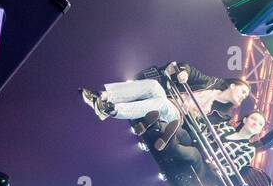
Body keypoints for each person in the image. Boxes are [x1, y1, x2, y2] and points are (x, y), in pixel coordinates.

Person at [79, 62, 251, 150]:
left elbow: (203, 132)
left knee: (162, 104)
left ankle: (111, 109)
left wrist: (196, 117)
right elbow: (190, 70)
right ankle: (103, 97)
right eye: (243, 91)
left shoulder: (222, 115)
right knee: (153, 85)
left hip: (178, 117)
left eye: (245, 97)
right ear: (233, 85)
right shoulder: (211, 83)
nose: (243, 96)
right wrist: (183, 72)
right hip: (171, 99)